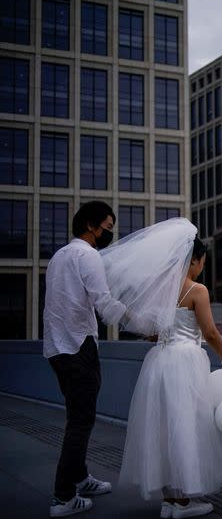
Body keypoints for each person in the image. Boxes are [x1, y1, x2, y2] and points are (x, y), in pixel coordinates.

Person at [119, 237, 222, 519]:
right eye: (202, 262)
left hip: (159, 360)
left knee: (160, 426)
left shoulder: (161, 290)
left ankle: (169, 500)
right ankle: (184, 502)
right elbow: (209, 332)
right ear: (194, 261)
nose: (202, 268)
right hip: (185, 361)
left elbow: (152, 331)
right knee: (186, 424)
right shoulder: (197, 290)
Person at [43, 201, 129, 517]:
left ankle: (80, 478)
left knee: (76, 416)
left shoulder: (59, 257)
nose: (108, 233)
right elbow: (103, 302)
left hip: (57, 347)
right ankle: (63, 498)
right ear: (92, 226)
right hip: (79, 346)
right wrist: (139, 324)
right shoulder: (87, 255)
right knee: (81, 422)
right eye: (107, 227)